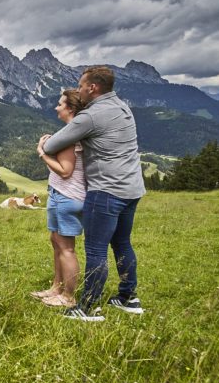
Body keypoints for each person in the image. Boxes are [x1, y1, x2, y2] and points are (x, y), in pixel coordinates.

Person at [41, 66, 146, 321]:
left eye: (81, 85)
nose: (78, 90)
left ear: (93, 87)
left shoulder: (90, 116)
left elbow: (54, 144)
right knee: (122, 243)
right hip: (132, 188)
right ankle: (128, 298)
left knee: (96, 249)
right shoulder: (122, 107)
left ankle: (88, 307)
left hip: (106, 190)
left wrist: (43, 146)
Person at [31, 89, 86, 308]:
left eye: (60, 104)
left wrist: (42, 153)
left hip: (68, 195)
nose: (56, 107)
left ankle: (69, 297)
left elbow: (65, 171)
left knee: (66, 248)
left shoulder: (71, 137)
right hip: (58, 194)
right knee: (56, 242)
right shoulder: (68, 134)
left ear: (70, 109)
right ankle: (57, 288)